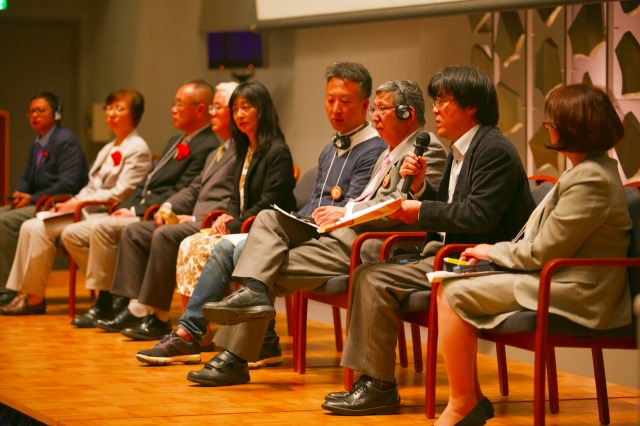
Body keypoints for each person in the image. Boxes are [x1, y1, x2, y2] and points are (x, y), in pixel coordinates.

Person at [188, 77, 449, 386]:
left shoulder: (426, 148)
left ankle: (234, 357)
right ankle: (252, 302)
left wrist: (346, 212)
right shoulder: (387, 153)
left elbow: (400, 205)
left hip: (369, 244)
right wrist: (341, 215)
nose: (375, 117)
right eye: (374, 110)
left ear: (407, 114)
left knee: (260, 264)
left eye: (382, 109)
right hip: (340, 234)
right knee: (268, 219)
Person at [135, 62, 390, 366]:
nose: (335, 109)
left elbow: (349, 210)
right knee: (226, 247)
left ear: (364, 105)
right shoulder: (328, 148)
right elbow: (312, 205)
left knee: (247, 249)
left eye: (344, 101)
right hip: (309, 229)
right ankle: (197, 333)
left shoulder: (373, 149)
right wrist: (292, 221)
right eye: (330, 100)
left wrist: (294, 225)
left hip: (332, 241)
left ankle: (228, 343)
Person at [320, 65, 535, 416]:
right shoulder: (461, 150)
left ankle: (379, 387)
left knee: (374, 279)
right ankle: (372, 381)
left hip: (476, 260)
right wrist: (421, 188)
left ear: (471, 106)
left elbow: (479, 216)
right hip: (447, 252)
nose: (434, 110)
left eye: (442, 101)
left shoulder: (493, 149)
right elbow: (451, 207)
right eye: (434, 101)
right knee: (366, 273)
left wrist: (419, 208)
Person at [434, 84, 631, 425]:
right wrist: (493, 256)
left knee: (452, 291)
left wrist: (493, 251)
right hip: (560, 277)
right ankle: (469, 399)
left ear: (570, 126)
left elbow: (543, 252)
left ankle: (463, 403)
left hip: (578, 289)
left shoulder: (591, 180)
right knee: (451, 282)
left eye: (550, 120)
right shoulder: (586, 170)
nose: (546, 125)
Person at [97, 81, 297, 342]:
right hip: (235, 224)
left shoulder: (275, 151)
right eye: (235, 109)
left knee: (186, 242)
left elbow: (270, 203)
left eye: (245, 108)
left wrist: (227, 221)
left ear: (263, 110)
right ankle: (175, 322)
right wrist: (225, 215)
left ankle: (192, 328)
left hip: (257, 229)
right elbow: (231, 197)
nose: (239, 114)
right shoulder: (244, 149)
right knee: (153, 235)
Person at [61, 80, 218, 328]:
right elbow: (147, 182)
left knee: (104, 229)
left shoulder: (209, 144)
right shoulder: (176, 140)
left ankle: (110, 300)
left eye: (179, 104)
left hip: (160, 213)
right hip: (146, 209)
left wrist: (139, 210)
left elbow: (184, 189)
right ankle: (117, 295)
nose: (173, 109)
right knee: (72, 234)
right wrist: (129, 206)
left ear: (199, 110)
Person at [1, 89, 152, 315]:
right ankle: (30, 295)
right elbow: (91, 186)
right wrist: (73, 201)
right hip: (86, 207)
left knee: (44, 228)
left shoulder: (137, 148)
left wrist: (79, 203)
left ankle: (108, 289)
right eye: (109, 108)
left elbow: (121, 193)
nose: (111, 113)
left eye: (119, 109)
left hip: (105, 212)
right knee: (31, 226)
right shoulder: (108, 148)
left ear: (135, 115)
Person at [0, 92, 88, 305]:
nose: (34, 115)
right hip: (39, 202)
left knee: (3, 221)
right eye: (31, 111)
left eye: (40, 110)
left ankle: (8, 289)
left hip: (58, 205)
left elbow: (68, 184)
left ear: (56, 114)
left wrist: (32, 199)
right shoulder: (38, 142)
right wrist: (19, 194)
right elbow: (26, 177)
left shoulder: (66, 141)